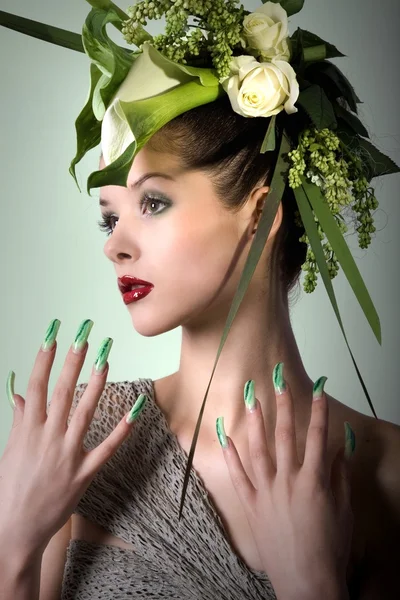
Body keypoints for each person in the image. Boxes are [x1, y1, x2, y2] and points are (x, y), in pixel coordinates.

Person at [0, 1, 399, 599]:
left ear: (261, 215)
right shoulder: (77, 439)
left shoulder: (386, 471)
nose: (116, 249)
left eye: (152, 203)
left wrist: (311, 583)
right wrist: (12, 543)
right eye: (109, 221)